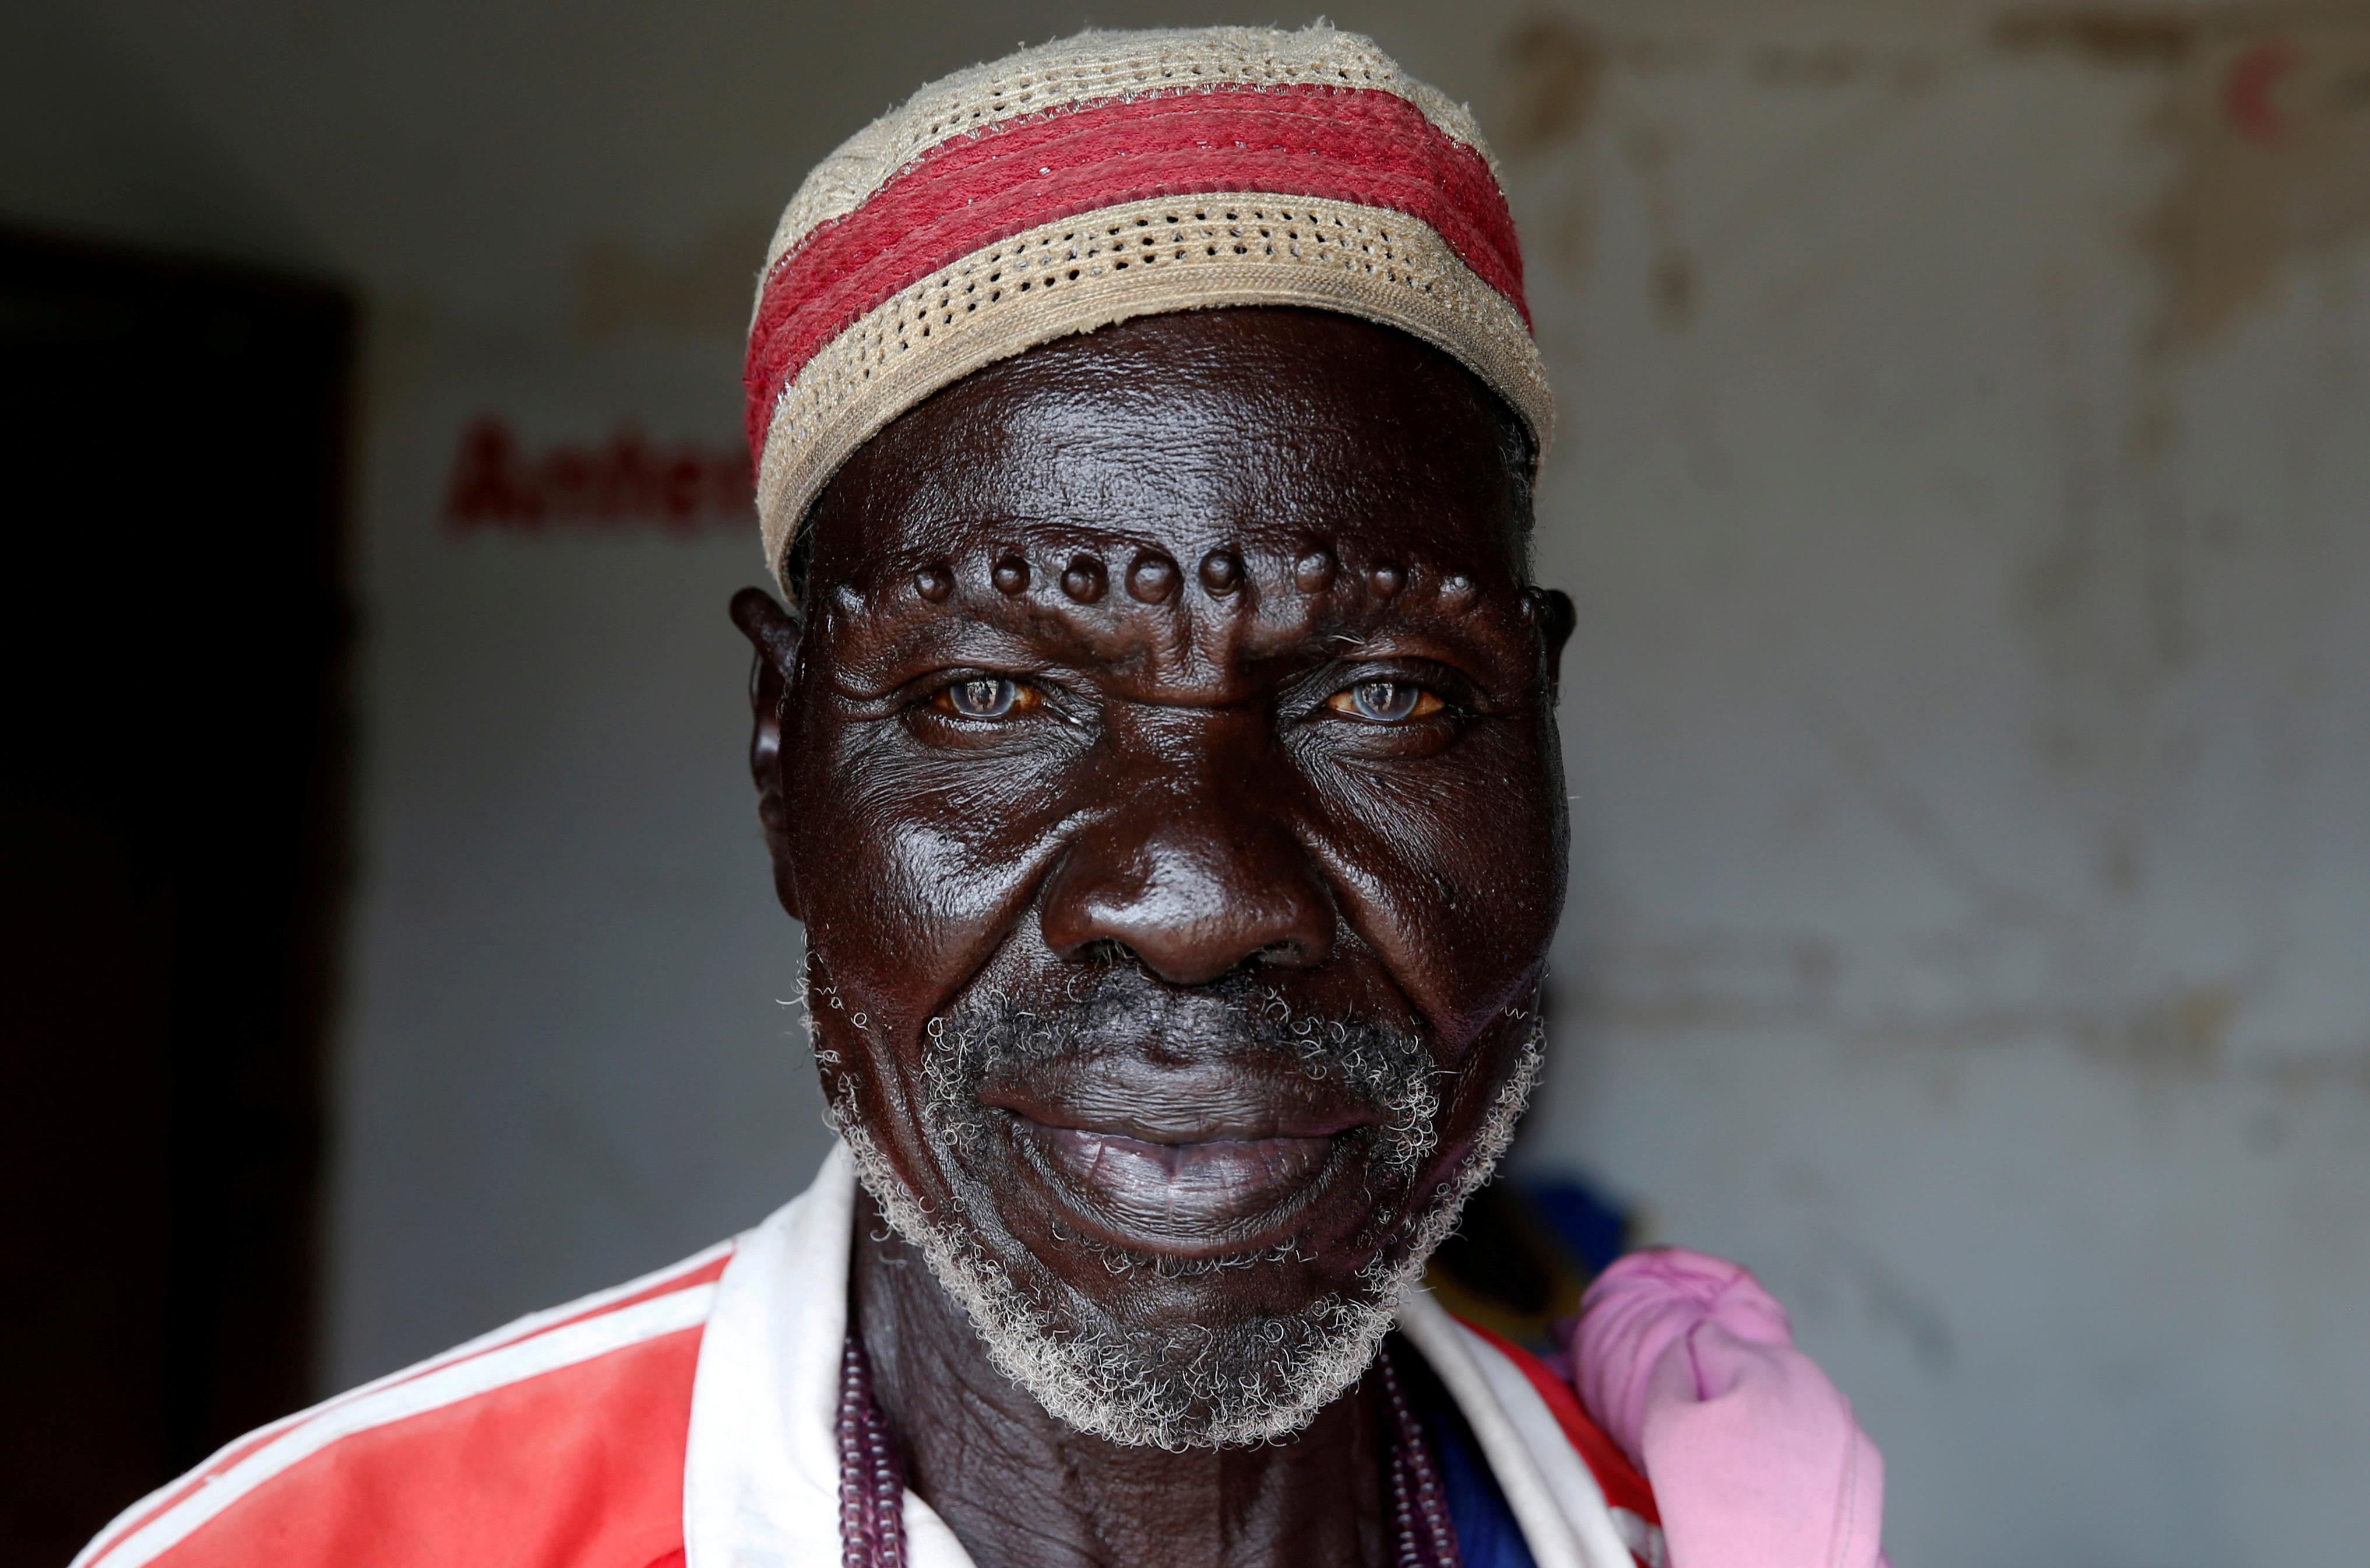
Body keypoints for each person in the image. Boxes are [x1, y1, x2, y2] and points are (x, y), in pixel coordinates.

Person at [74, 26, 1886, 1568]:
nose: (1197, 895)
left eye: (1387, 689)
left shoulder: (1670, 1531)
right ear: (783, 763)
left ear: (1540, 733)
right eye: (990, 693)